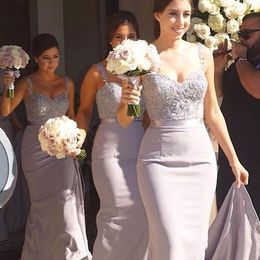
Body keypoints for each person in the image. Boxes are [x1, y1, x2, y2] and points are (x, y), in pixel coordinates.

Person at [118, 0, 249, 259]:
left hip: (199, 160)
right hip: (157, 160)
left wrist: (234, 161)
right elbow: (125, 120)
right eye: (173, 14)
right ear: (157, 15)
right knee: (169, 244)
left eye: (186, 15)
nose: (181, 22)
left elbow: (212, 113)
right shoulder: (143, 57)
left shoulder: (202, 54)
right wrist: (127, 101)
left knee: (194, 245)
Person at [0, 33, 91, 260]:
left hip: (62, 148)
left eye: (55, 57)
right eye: (46, 58)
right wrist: (8, 86)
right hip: (35, 148)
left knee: (66, 201)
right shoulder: (27, 83)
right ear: (35, 59)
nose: (51, 62)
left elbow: (71, 116)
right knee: (42, 206)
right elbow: (5, 110)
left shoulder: (67, 82)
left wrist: (74, 139)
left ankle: (72, 254)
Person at [76, 10, 148, 260]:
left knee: (142, 212)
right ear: (110, 39)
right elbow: (84, 112)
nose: (125, 41)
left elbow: (150, 117)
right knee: (116, 212)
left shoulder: (146, 72)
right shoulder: (97, 73)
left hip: (141, 146)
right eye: (119, 36)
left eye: (131, 36)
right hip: (109, 148)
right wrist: (76, 141)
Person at [214, 12, 260, 216]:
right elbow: (218, 96)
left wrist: (240, 58)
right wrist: (217, 70)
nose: (242, 39)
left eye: (247, 33)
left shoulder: (243, 62)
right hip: (233, 152)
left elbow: (256, 89)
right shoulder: (240, 63)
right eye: (240, 33)